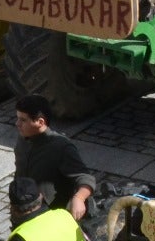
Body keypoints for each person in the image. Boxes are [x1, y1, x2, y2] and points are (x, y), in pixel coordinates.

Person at [13, 95, 96, 223]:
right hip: (23, 211)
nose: (17, 124)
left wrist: (79, 198)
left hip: (50, 216)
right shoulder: (22, 139)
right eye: (18, 118)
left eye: (23, 120)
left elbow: (85, 178)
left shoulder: (61, 147)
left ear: (40, 122)